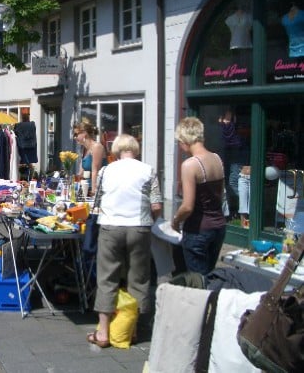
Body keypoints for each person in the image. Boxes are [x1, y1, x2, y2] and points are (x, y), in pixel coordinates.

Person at [86, 134, 162, 348]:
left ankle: (103, 332)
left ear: (116, 151)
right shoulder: (147, 170)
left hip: (111, 226)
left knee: (107, 277)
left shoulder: (106, 171)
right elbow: (156, 206)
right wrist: (148, 222)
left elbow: (98, 200)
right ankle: (132, 329)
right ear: (135, 150)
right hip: (139, 227)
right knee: (137, 278)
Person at [172, 117, 226, 275]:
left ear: (184, 140)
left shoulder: (190, 165)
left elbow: (187, 206)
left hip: (198, 229)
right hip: (218, 227)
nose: (180, 147)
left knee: (198, 280)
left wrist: (175, 220)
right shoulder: (217, 159)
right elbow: (220, 196)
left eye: (179, 142)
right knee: (209, 274)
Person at [73, 121, 106, 197]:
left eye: (76, 134)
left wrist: (94, 193)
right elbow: (81, 173)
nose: (75, 137)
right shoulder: (85, 149)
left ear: (84, 133)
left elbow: (95, 171)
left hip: (97, 189)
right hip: (86, 188)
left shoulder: (97, 147)